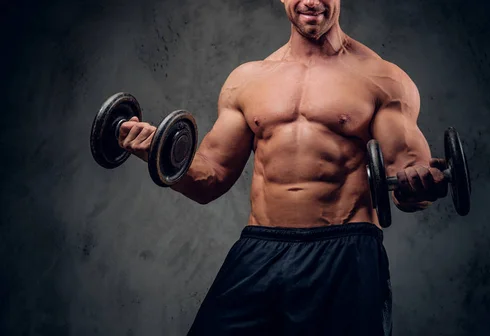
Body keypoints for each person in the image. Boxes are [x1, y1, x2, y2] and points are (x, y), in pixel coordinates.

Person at [118, 0, 448, 335]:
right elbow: (210, 178)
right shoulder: (247, 80)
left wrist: (418, 182)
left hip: (345, 252)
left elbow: (406, 170)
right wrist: (158, 153)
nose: (311, 1)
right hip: (260, 249)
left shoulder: (382, 79)